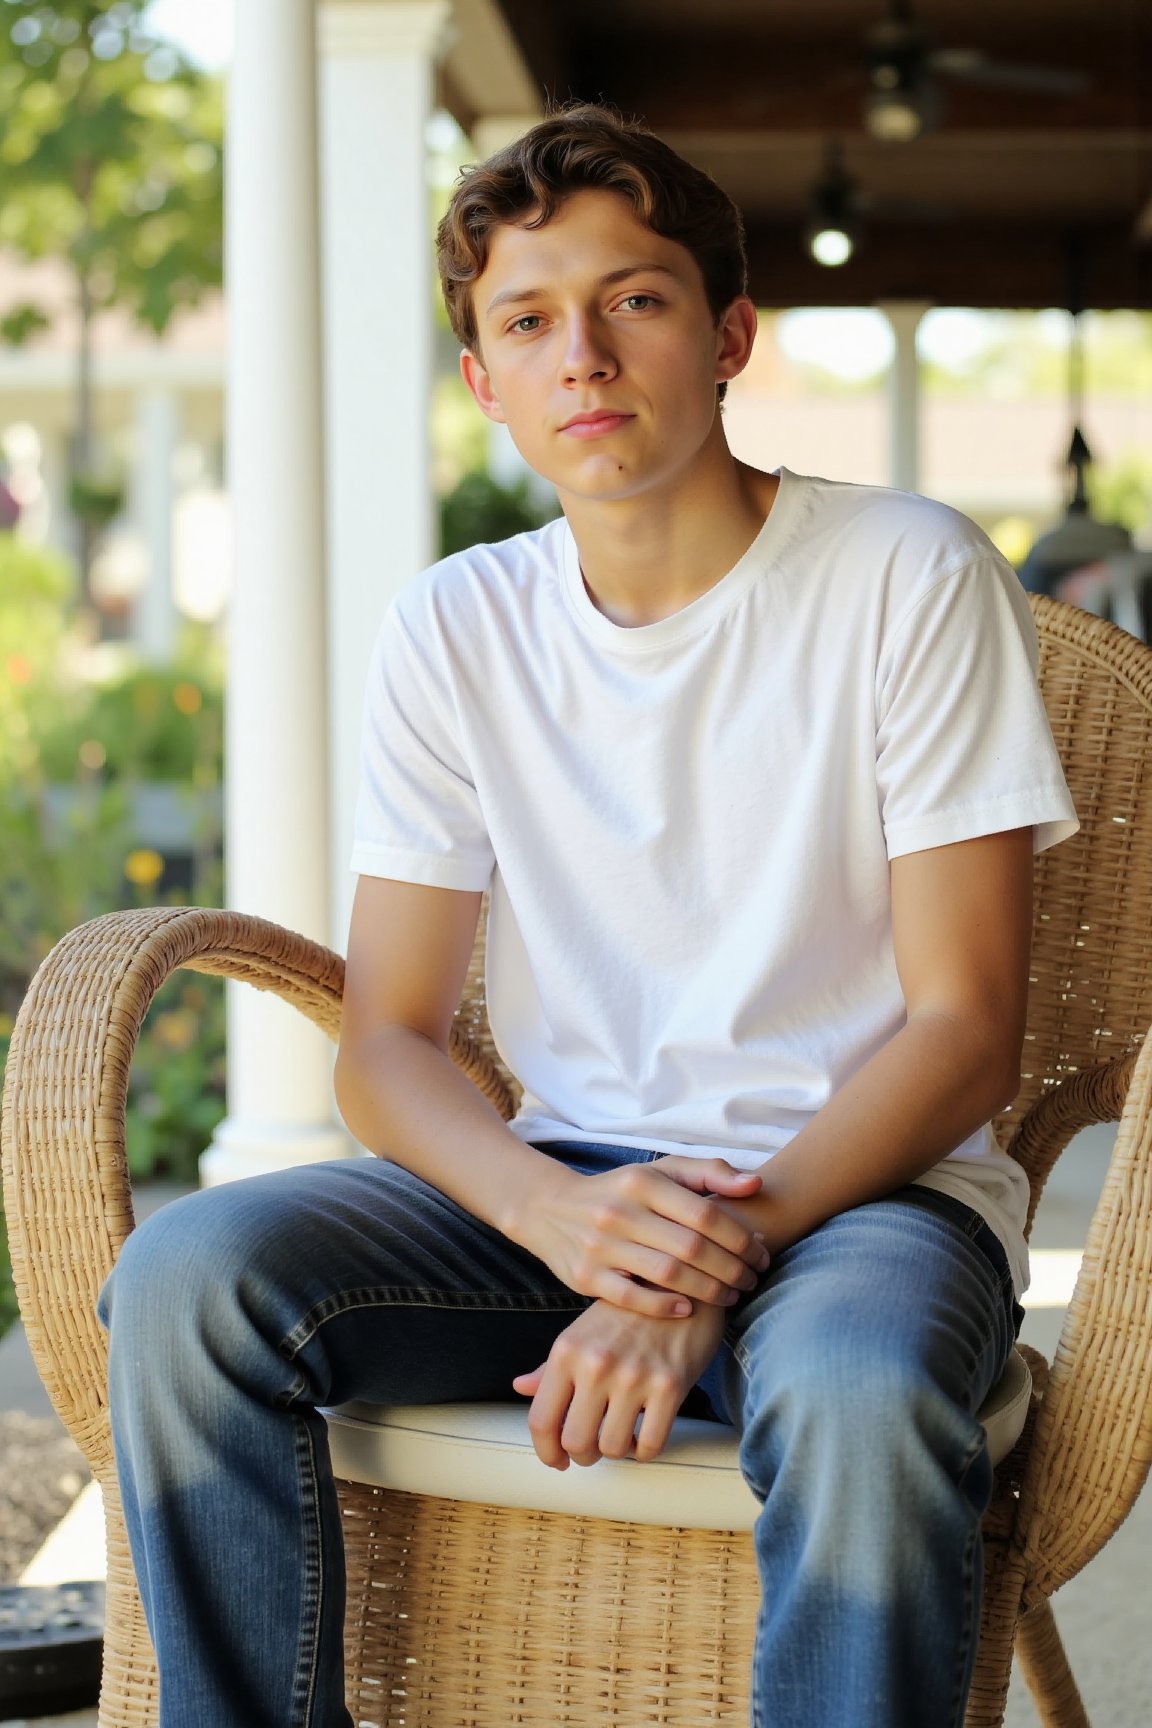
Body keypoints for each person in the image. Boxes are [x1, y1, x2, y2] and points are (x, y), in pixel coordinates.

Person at [98, 104, 1080, 1728]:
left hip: (863, 1199)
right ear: (483, 382)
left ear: (727, 336)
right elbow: (388, 1042)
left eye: (635, 300)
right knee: (190, 1283)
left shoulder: (909, 573)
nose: (587, 358)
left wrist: (701, 1262)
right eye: (529, 322)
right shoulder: (459, 625)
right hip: (567, 1193)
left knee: (851, 1392)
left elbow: (966, 1024)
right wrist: (565, 1225)